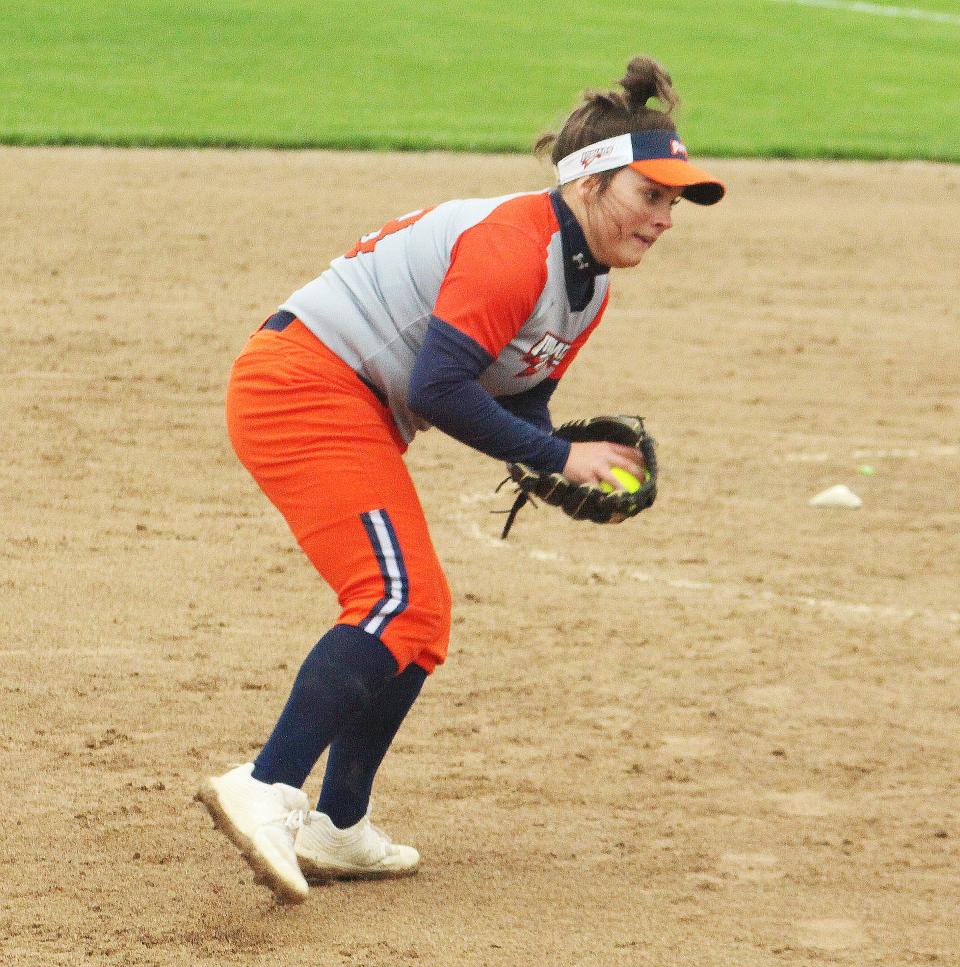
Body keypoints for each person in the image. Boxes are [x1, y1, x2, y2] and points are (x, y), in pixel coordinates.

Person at [197, 55, 725, 903]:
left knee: (421, 613)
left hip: (351, 402)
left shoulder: (586, 287)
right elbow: (440, 390)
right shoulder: (515, 246)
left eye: (673, 201)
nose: (664, 216)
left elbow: (523, 399)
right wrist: (558, 458)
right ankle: (265, 786)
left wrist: (551, 461)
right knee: (393, 597)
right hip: (303, 387)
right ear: (589, 182)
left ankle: (338, 825)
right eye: (650, 193)